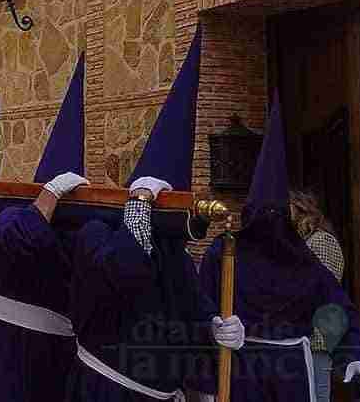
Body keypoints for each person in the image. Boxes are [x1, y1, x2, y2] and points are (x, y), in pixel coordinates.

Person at [66, 27, 246, 401]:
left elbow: (188, 314)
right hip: (106, 390)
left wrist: (215, 328)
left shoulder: (176, 258)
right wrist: (139, 205)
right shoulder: (97, 233)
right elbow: (125, 269)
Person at [199, 92, 360, 401]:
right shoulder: (224, 252)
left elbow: (337, 307)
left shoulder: (303, 261)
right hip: (240, 368)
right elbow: (199, 302)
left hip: (293, 372)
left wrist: (356, 355)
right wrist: (214, 327)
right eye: (262, 216)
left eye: (276, 217)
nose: (268, 225)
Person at [0, 55, 85, 402]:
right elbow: (15, 236)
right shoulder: (14, 219)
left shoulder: (87, 236)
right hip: (5, 346)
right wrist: (47, 197)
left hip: (54, 351)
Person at [288, 189, 346, 402]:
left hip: (318, 332)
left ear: (301, 209)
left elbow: (322, 289)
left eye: (289, 208)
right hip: (305, 331)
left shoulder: (321, 241)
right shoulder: (303, 241)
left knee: (319, 392)